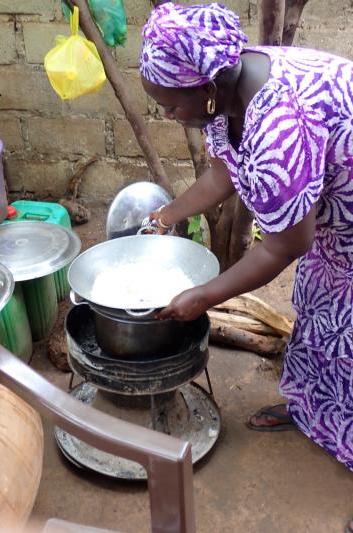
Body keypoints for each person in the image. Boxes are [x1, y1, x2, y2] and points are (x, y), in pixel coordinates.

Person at [139, 0, 353, 477]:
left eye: (171, 104)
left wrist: (204, 295)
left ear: (207, 88)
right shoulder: (224, 82)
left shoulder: (279, 124)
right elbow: (223, 175)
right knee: (325, 319)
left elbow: (288, 244)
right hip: (338, 218)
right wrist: (165, 214)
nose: (169, 115)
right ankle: (316, 414)